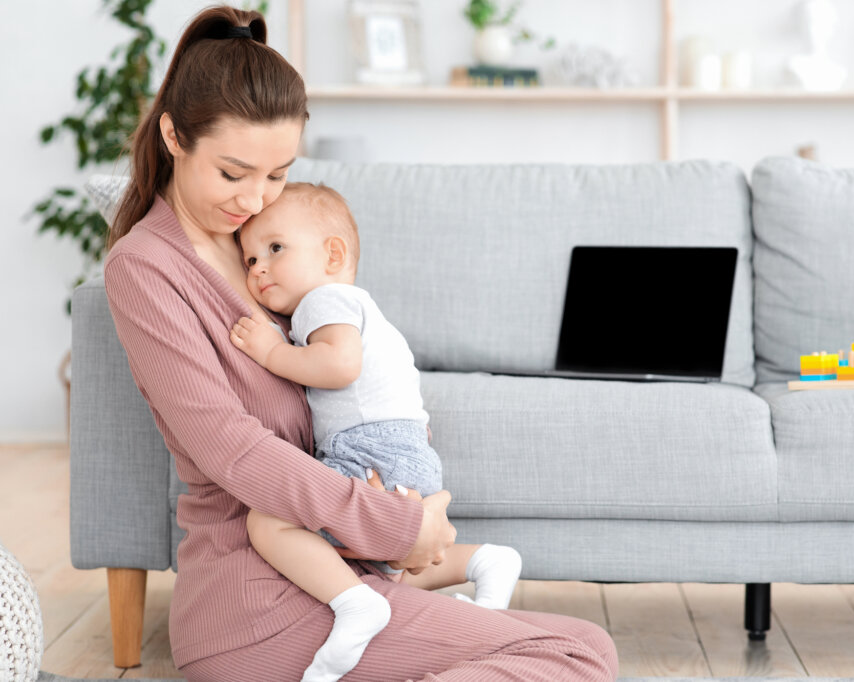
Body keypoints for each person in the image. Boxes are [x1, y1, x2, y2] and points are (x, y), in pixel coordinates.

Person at [103, 5, 617, 681]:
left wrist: (405, 492)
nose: (255, 200)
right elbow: (231, 448)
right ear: (174, 135)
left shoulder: (265, 247)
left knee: (586, 643)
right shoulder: (145, 268)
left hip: (344, 576)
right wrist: (398, 527)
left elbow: (353, 379)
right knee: (572, 656)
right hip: (253, 604)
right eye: (233, 174)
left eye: (277, 174)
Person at [229, 182, 523, 681]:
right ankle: (480, 562)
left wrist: (272, 352)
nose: (258, 268)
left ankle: (355, 605)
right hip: (406, 449)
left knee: (268, 522)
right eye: (250, 259)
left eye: (275, 248)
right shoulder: (366, 311)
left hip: (369, 449)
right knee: (386, 563)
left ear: (333, 255)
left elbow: (339, 366)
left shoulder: (323, 302)